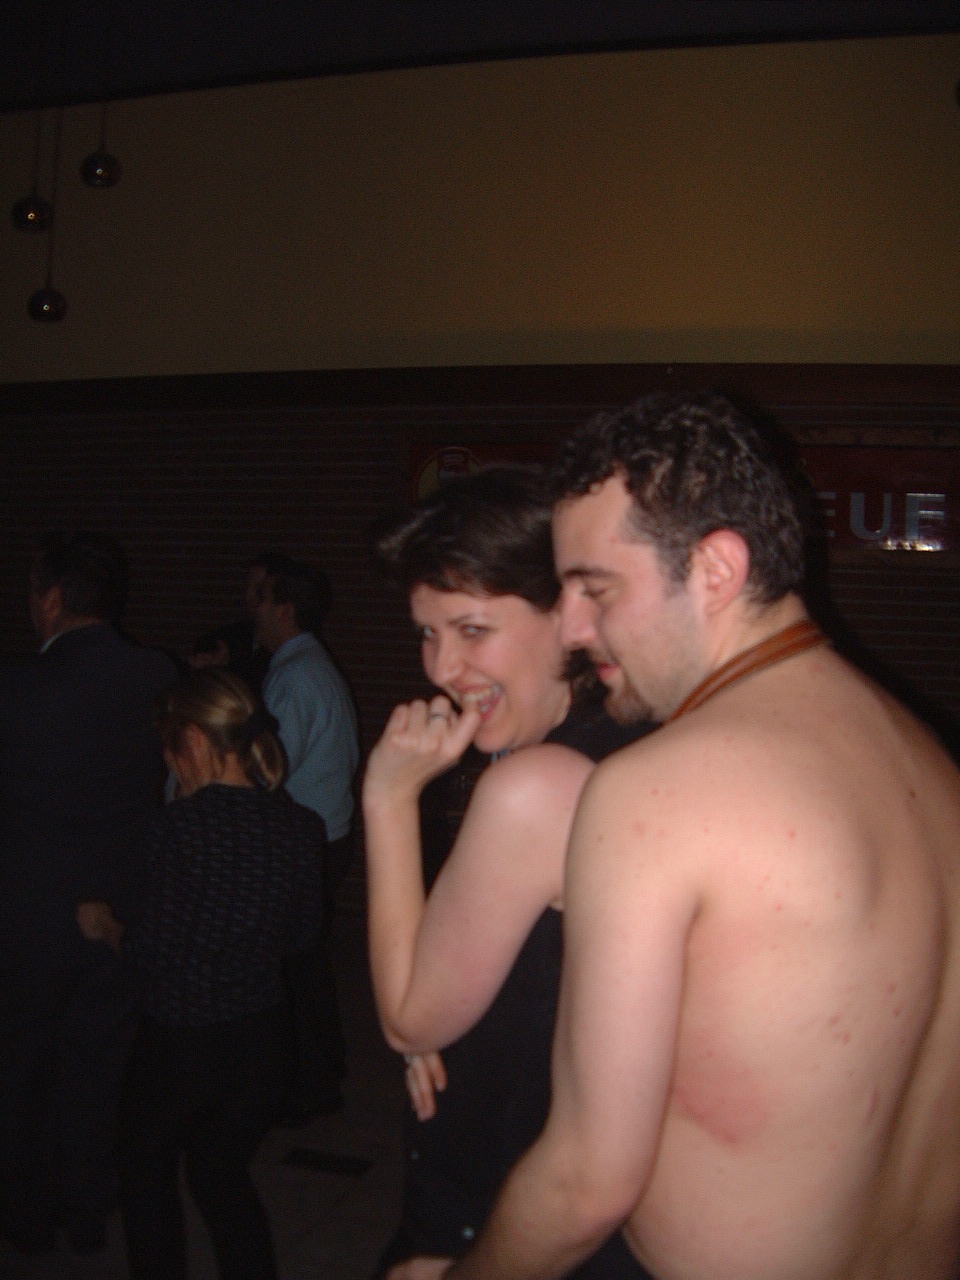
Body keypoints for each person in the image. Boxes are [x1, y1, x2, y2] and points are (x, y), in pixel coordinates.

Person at [443, 393, 960, 1280]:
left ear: (716, 569)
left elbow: (583, 1183)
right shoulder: (932, 766)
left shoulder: (654, 793)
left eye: (596, 589)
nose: (571, 628)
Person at [363, 465, 653, 1278]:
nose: (441, 668)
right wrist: (447, 993)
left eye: (472, 629)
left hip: (508, 1217)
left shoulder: (535, 788)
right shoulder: (624, 745)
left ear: (567, 617)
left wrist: (387, 798)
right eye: (427, 634)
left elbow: (409, 1019)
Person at [78, 669, 325, 1280]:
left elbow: (149, 955)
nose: (166, 761)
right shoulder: (301, 827)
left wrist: (107, 927)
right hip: (263, 1040)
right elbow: (302, 939)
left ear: (193, 739)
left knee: (145, 1171)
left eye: (169, 746)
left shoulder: (175, 831)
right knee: (220, 1176)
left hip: (182, 1044)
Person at [0, 531, 176, 1255]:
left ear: (50, 600)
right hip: (120, 909)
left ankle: (27, 1218)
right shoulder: (155, 674)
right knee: (98, 1070)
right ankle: (87, 1213)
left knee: (22, 1072)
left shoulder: (17, 687)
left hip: (30, 915)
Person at [254, 554, 360, 1120]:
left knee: (294, 969)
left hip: (307, 843)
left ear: (285, 609)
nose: (251, 609)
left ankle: (311, 1086)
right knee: (306, 962)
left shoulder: (296, 677)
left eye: (260, 598)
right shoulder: (310, 666)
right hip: (324, 836)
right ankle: (324, 1068)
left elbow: (268, 768)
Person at [188, 552, 277, 695]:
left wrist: (227, 673)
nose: (248, 596)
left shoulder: (288, 647)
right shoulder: (228, 637)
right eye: (247, 587)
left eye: (259, 590)